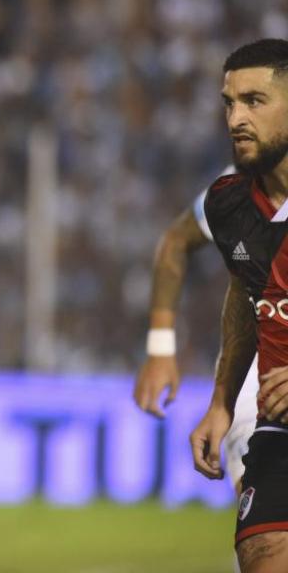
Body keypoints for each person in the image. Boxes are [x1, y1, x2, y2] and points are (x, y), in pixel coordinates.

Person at [190, 39, 288, 572]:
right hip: (280, 423)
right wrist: (222, 402)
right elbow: (246, 296)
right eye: (229, 103)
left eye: (254, 101)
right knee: (259, 552)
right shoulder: (227, 203)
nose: (236, 118)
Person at [133, 164, 259, 493]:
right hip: (256, 369)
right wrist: (160, 349)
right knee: (262, 513)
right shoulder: (242, 182)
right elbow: (176, 240)